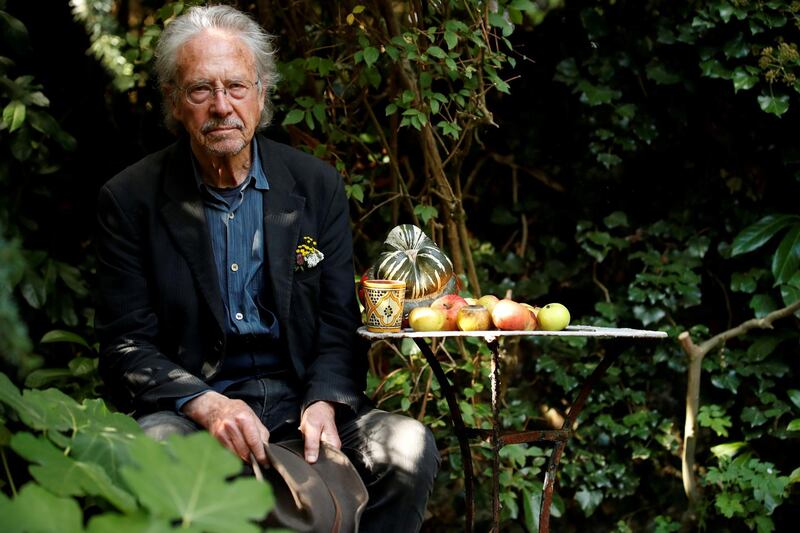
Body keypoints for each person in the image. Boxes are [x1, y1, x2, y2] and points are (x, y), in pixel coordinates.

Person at [95, 5, 439, 531]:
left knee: (407, 447)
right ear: (174, 102)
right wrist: (208, 405)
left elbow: (335, 320)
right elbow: (126, 344)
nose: (221, 107)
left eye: (236, 86)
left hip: (299, 399)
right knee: (153, 449)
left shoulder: (315, 185)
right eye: (200, 90)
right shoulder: (129, 199)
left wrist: (325, 401)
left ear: (261, 94)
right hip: (190, 406)